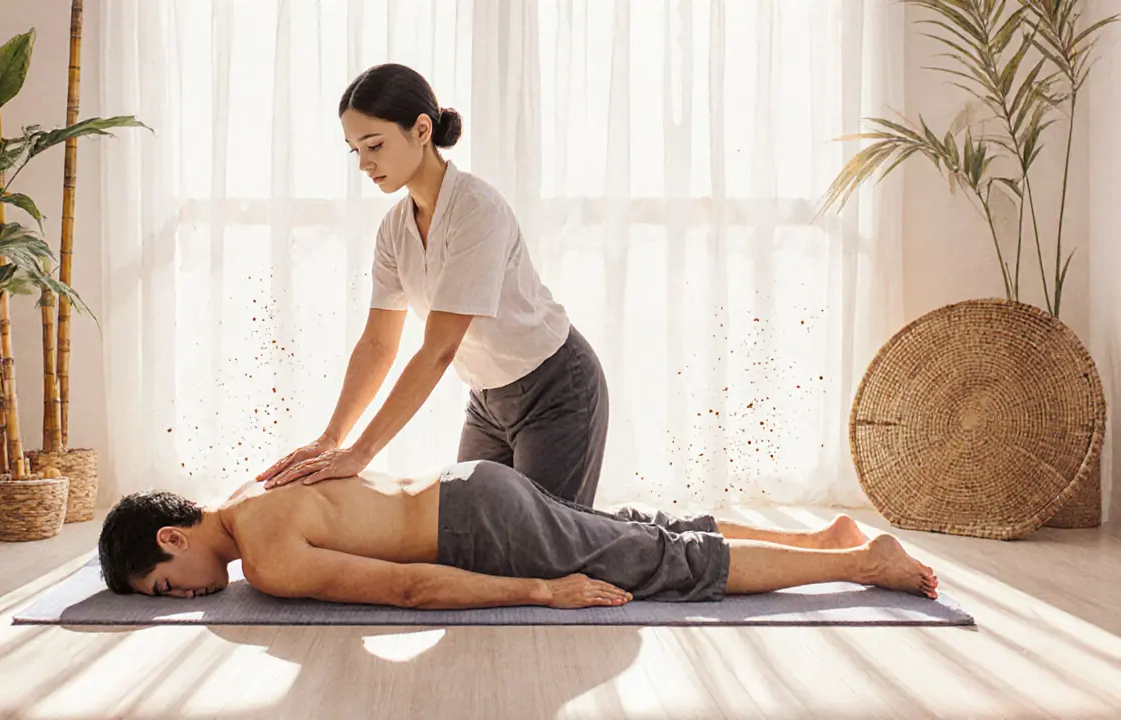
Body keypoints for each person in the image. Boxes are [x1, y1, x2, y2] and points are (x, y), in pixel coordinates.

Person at [255, 63, 610, 506]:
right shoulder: (394, 229)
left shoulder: (476, 209)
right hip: (487, 400)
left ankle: (689, 541)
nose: (365, 163)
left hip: (557, 387)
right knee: (474, 538)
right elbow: (378, 345)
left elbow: (438, 348)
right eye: (355, 151)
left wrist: (361, 453)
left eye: (375, 145)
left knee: (554, 545)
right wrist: (331, 439)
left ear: (421, 129)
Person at [99, 460, 940, 608]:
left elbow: (409, 588)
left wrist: (541, 589)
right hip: (472, 481)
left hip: (481, 528)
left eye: (164, 586)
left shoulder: (271, 563)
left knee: (663, 566)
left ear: (172, 539)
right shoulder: (257, 489)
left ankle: (866, 564)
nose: (185, 597)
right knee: (641, 530)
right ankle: (832, 539)